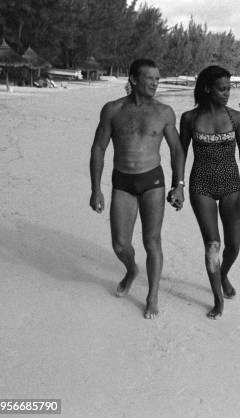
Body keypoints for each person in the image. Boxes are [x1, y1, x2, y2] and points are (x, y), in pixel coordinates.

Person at [89, 58, 186, 319]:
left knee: (151, 241)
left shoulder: (164, 112)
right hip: (123, 181)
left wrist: (179, 185)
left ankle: (152, 295)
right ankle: (132, 270)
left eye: (158, 78)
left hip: (152, 181)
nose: (156, 82)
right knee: (120, 245)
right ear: (133, 79)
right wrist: (95, 188)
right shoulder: (113, 110)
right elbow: (99, 147)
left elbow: (177, 149)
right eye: (150, 78)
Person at [178, 65, 240, 319]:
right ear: (208, 88)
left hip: (231, 185)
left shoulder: (236, 118)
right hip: (201, 185)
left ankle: (223, 275)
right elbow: (180, 154)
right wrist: (177, 185)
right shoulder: (189, 119)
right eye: (222, 89)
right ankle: (217, 300)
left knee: (233, 246)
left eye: (230, 88)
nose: (227, 93)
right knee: (213, 246)